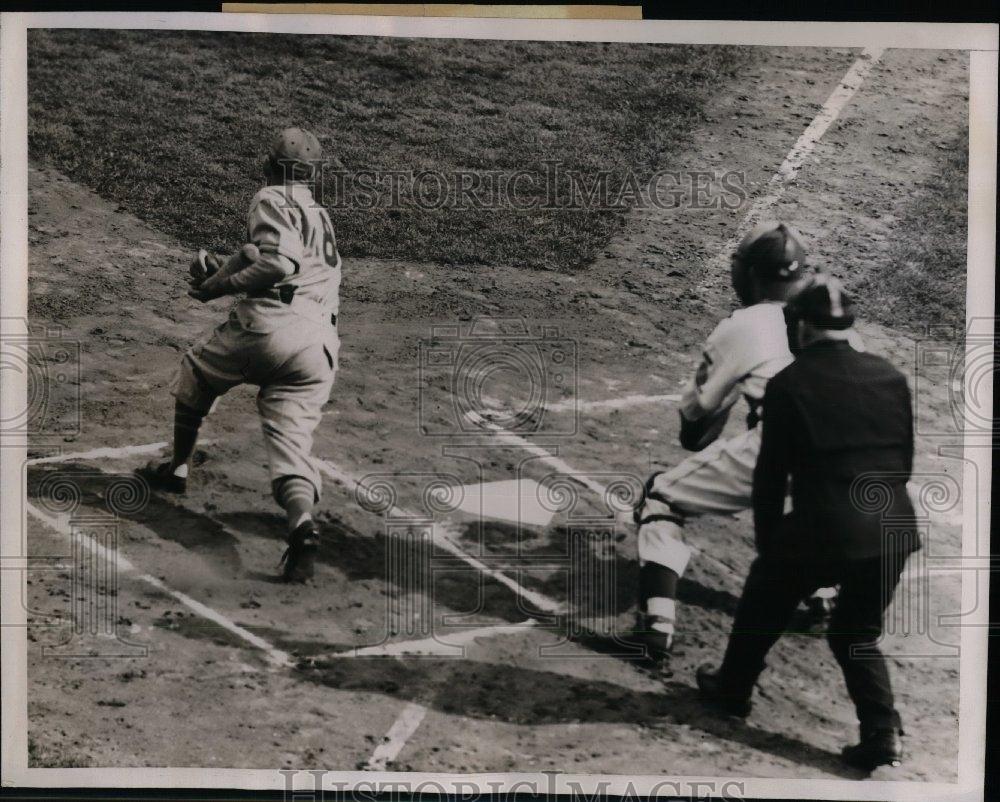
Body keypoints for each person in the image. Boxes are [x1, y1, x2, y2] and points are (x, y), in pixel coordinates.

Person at [696, 275, 921, 772]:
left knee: (764, 592)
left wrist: (769, 547)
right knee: (856, 632)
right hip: (894, 528)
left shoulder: (789, 383)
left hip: (826, 527)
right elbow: (902, 463)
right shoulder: (890, 375)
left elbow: (772, 477)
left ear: (800, 327)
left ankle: (732, 690)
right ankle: (882, 732)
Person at [137, 127, 341, 583]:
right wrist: (225, 270)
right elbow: (276, 260)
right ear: (314, 175)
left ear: (269, 166)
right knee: (291, 443)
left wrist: (221, 287)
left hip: (270, 327)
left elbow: (278, 264)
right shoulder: (318, 213)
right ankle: (302, 524)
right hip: (319, 343)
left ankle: (177, 467)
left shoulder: (271, 196)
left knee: (198, 372)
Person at [630, 222, 840, 660]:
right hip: (854, 451)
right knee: (800, 504)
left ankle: (656, 628)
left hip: (780, 445)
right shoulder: (831, 313)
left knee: (661, 496)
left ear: (749, 275)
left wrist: (727, 396)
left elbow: (694, 431)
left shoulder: (743, 324)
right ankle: (823, 595)